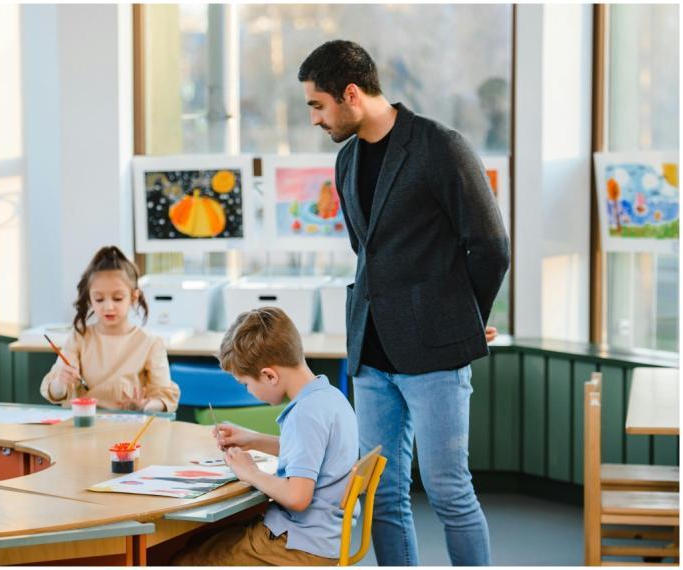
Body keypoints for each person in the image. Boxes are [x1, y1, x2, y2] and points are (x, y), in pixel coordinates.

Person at [299, 40, 510, 566]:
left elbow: (491, 247)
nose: (315, 120)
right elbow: (365, 252)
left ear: (351, 94)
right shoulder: (345, 160)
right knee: (383, 495)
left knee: (449, 493)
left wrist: (467, 320)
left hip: (436, 352)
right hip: (370, 354)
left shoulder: (441, 146)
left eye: (318, 105)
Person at [171, 307, 358, 566]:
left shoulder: (304, 414)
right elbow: (312, 454)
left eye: (246, 384)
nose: (248, 391)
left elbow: (297, 497)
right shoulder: (330, 397)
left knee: (186, 557)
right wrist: (253, 439)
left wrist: (251, 473)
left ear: (269, 375)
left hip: (296, 546)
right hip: (322, 538)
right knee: (205, 540)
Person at [40, 245, 180, 412]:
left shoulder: (150, 343)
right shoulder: (79, 336)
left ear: (134, 297)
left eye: (118, 298)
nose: (108, 307)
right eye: (99, 299)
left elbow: (165, 397)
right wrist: (60, 382)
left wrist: (143, 407)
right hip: (83, 425)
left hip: (129, 429)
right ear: (90, 299)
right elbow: (56, 395)